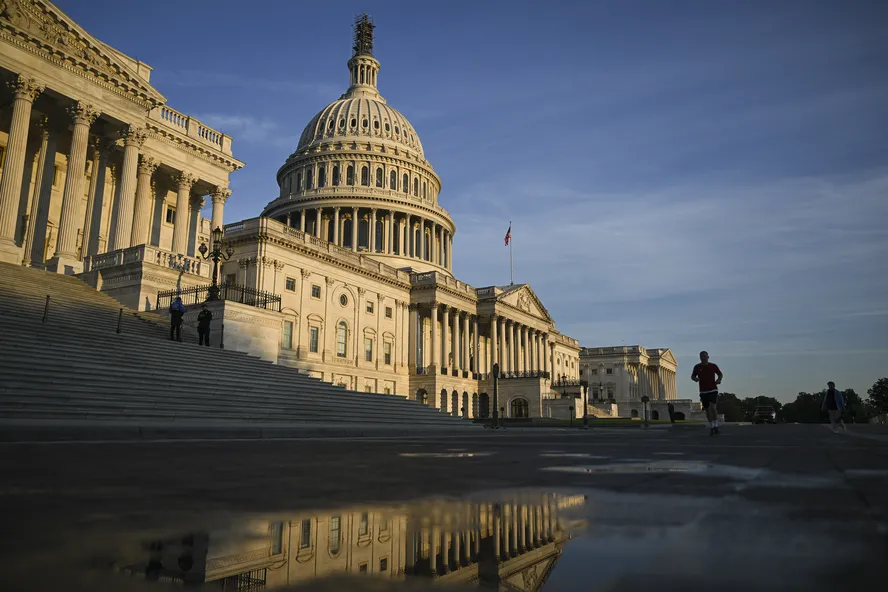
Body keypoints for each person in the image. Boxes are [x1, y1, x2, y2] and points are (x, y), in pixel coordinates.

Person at [691, 350, 723, 436]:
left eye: (704, 356)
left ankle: (716, 425)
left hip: (713, 389)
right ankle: (712, 426)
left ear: (708, 357)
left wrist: (719, 380)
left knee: (713, 407)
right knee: (708, 410)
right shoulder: (697, 367)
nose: (703, 358)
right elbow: (692, 376)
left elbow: (720, 374)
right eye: (701, 356)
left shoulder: (713, 366)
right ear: (700, 358)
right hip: (703, 391)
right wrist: (695, 379)